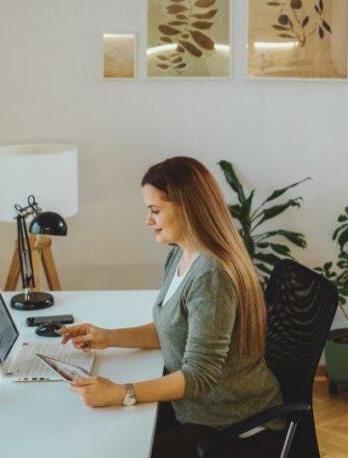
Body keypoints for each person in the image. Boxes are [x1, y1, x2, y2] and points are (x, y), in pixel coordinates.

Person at [57, 156, 285, 457]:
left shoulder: (210, 275)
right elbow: (171, 328)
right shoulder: (181, 255)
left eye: (155, 210)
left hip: (232, 423)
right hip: (196, 408)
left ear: (187, 208)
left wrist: (121, 392)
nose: (147, 220)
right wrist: (108, 337)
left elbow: (199, 377)